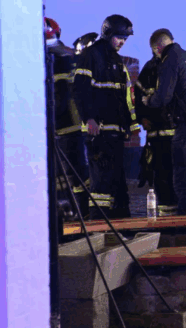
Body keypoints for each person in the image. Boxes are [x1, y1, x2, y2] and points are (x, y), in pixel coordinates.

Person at [73, 14, 140, 220]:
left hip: (115, 132)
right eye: (119, 37)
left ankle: (122, 224)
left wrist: (128, 126)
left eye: (125, 39)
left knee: (117, 183)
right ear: (108, 33)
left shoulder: (117, 61)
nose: (122, 42)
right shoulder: (91, 55)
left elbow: (122, 97)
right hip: (99, 132)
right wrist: (89, 119)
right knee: (101, 183)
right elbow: (80, 90)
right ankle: (98, 224)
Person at [143, 28, 186, 215]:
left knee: (183, 171)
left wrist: (149, 101)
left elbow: (163, 97)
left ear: (157, 47)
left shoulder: (170, 61)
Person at [44, 17, 90, 220]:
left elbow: (59, 98)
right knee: (75, 173)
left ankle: (71, 214)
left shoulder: (54, 59)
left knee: (65, 174)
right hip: (74, 126)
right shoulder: (67, 55)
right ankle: (79, 212)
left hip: (63, 127)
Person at [134, 40, 178, 217]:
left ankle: (181, 216)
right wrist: (141, 117)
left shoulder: (175, 66)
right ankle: (166, 217)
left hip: (175, 135)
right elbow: (138, 97)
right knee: (160, 177)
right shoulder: (149, 69)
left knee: (177, 177)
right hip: (156, 136)